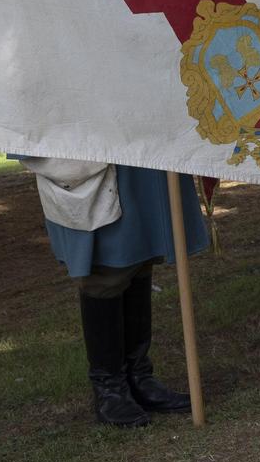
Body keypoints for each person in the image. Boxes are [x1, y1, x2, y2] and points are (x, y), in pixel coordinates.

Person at [24, 157, 208, 426]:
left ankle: (138, 378)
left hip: (139, 156)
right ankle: (109, 389)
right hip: (90, 155)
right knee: (106, 267)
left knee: (139, 255)